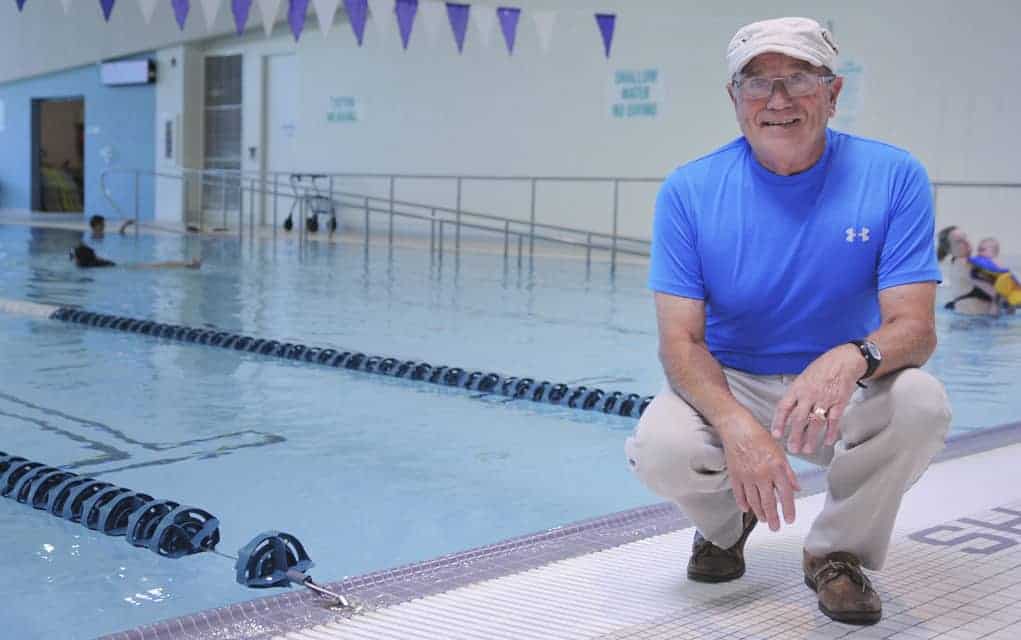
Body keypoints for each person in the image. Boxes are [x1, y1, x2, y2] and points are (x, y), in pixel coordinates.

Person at [625, 17, 951, 627]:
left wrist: (851, 357)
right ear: (733, 98)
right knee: (660, 449)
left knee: (921, 405)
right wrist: (735, 425)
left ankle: (835, 553)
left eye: (798, 79)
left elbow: (916, 327)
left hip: (840, 386)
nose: (777, 100)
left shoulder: (893, 176)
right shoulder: (689, 191)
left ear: (832, 92)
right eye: (757, 83)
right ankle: (727, 525)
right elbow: (680, 341)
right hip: (733, 378)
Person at [937, 226, 1000, 315]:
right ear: (949, 249)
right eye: (959, 241)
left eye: (965, 237)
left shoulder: (964, 263)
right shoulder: (963, 264)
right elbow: (998, 293)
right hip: (971, 323)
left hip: (971, 322)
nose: (966, 242)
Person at [70, 243, 201, 269]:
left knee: (161, 265)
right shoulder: (95, 262)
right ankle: (188, 264)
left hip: (125, 268)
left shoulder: (90, 265)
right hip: (124, 267)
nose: (72, 259)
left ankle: (188, 264)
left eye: (73, 256)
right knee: (161, 264)